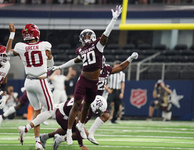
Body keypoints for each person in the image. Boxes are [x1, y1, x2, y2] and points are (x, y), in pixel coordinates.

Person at [51, 5, 122, 145]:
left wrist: (113, 20)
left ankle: (81, 126)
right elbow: (74, 60)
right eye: (85, 36)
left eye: (89, 36)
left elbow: (106, 34)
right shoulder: (81, 50)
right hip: (83, 79)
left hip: (93, 82)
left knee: (88, 105)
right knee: (77, 104)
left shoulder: (98, 45)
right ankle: (70, 132)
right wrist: (60, 66)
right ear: (82, 39)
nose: (87, 38)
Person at [6, 22, 54, 150]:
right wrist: (49, 56)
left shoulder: (20, 46)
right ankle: (25, 128)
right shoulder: (45, 45)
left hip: (28, 82)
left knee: (37, 111)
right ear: (36, 34)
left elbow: (7, 52)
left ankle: (37, 142)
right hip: (40, 81)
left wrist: (11, 33)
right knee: (50, 110)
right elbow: (50, 63)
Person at [87, 53, 138, 145]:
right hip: (88, 96)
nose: (101, 64)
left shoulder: (106, 69)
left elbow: (121, 67)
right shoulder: (90, 70)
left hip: (98, 99)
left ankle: (90, 133)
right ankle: (66, 134)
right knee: (81, 121)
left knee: (105, 116)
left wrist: (130, 58)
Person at [39, 95, 107, 150]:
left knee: (66, 130)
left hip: (63, 110)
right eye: (99, 110)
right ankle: (59, 139)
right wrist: (81, 145)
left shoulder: (88, 102)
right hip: (62, 114)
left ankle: (44, 137)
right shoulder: (84, 108)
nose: (100, 113)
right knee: (83, 133)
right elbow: (79, 127)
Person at [0, 44, 10, 125]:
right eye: (2, 55)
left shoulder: (7, 66)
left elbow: (4, 84)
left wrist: (4, 97)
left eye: (5, 56)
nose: (5, 58)